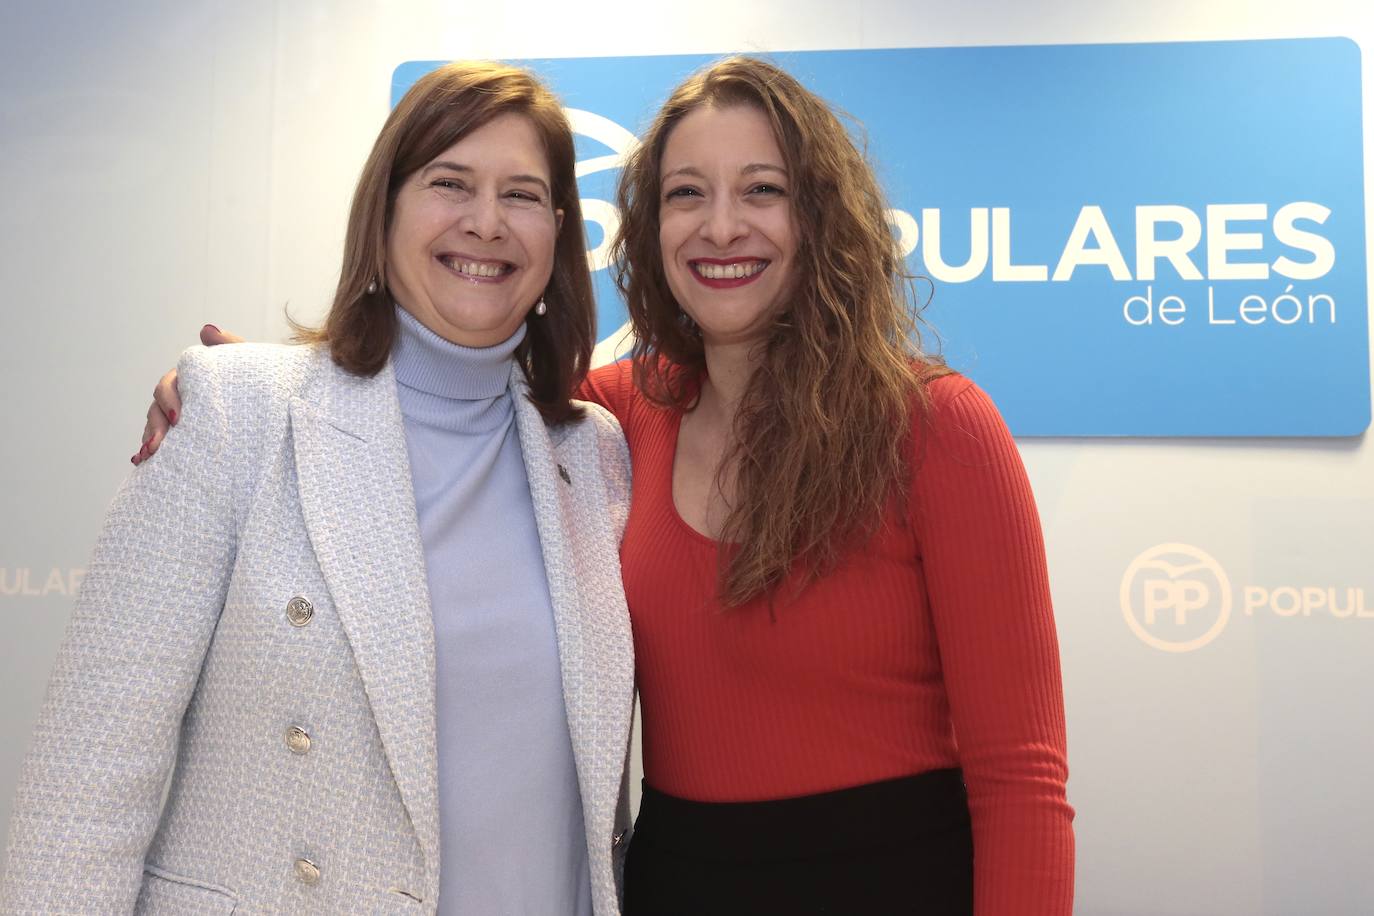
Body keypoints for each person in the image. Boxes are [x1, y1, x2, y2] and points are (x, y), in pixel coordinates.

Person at [130, 56, 1075, 915]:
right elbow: (431, 377)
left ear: (820, 217)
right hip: (676, 881)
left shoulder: (937, 427)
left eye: (764, 191)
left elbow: (1022, 779)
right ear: (650, 224)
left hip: (894, 882)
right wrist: (239, 387)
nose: (721, 227)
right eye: (686, 194)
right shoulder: (614, 417)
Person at [0, 62, 634, 916]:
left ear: (559, 231)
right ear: (386, 209)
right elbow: (88, 781)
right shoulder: (237, 412)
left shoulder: (592, 456)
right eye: (450, 183)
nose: (486, 223)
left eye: (521, 195)